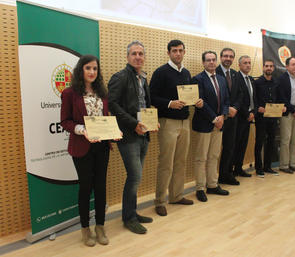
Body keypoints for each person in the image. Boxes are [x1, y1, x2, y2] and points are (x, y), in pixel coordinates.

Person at [61, 55, 117, 247]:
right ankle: (85, 229)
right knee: (85, 188)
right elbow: (65, 121)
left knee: (101, 187)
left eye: (95, 68)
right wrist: (81, 130)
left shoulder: (103, 92)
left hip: (102, 146)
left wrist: (113, 132)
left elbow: (106, 118)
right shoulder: (70, 93)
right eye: (88, 68)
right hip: (82, 146)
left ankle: (100, 227)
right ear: (80, 70)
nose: (92, 72)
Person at [150, 40, 203, 216]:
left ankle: (176, 195)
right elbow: (151, 98)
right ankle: (159, 200)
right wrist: (170, 103)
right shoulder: (160, 72)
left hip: (184, 122)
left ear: (184, 52)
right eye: (174, 51)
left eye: (180, 51)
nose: (178, 54)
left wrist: (197, 101)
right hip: (168, 122)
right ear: (169, 53)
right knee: (166, 163)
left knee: (180, 161)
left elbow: (189, 96)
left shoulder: (186, 73)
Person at [108, 41, 154, 234]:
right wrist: (133, 124)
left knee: (137, 176)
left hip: (144, 133)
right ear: (127, 57)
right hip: (128, 135)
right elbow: (112, 104)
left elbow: (146, 105)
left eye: (141, 54)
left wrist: (153, 121)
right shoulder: (119, 77)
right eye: (134, 53)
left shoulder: (143, 78)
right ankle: (129, 218)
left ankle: (132, 213)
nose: (138, 57)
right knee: (134, 176)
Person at [192, 51, 230, 202]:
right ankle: (200, 188)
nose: (212, 63)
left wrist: (223, 116)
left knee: (214, 156)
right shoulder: (197, 79)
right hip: (204, 123)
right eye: (208, 60)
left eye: (214, 60)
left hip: (219, 123)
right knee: (201, 158)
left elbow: (226, 100)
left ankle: (213, 185)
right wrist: (214, 118)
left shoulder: (221, 79)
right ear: (203, 63)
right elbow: (200, 102)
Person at [254, 60, 285, 177]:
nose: (269, 68)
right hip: (261, 117)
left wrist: (283, 107)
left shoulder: (276, 82)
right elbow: (254, 99)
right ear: (263, 68)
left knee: (271, 142)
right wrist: (258, 108)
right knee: (259, 142)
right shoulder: (257, 83)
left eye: (271, 66)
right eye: (267, 66)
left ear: (273, 68)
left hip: (273, 116)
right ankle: (259, 168)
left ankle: (268, 167)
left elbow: (280, 98)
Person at [217, 48, 242, 185]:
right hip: (219, 117)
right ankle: (213, 178)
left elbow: (240, 94)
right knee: (214, 151)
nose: (228, 58)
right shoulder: (214, 72)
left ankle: (225, 174)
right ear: (221, 57)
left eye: (231, 56)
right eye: (225, 56)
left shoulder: (235, 74)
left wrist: (236, 108)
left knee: (229, 147)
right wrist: (226, 109)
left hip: (233, 118)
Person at [277, 57, 295, 174]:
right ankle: (284, 165)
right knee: (286, 139)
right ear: (287, 66)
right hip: (288, 113)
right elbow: (281, 97)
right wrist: (293, 110)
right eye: (293, 64)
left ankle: (293, 163)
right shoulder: (282, 79)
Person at [232, 55, 257, 178]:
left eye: (249, 62)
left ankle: (239, 168)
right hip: (239, 117)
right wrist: (246, 114)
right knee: (235, 144)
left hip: (249, 117)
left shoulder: (251, 79)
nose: (248, 65)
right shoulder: (236, 78)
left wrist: (253, 112)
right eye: (245, 63)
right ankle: (230, 170)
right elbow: (238, 99)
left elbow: (254, 98)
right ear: (239, 65)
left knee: (243, 144)